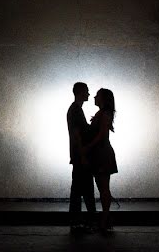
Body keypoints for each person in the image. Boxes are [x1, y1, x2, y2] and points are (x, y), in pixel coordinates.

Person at [82, 88, 118, 233]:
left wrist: (87, 147)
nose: (94, 97)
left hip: (102, 153)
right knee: (103, 187)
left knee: (103, 187)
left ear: (103, 98)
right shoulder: (103, 113)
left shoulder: (104, 113)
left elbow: (102, 135)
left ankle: (104, 220)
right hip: (101, 153)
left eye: (97, 95)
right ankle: (105, 219)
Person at [66, 82, 97, 233]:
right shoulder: (76, 110)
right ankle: (85, 220)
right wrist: (83, 155)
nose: (89, 94)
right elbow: (78, 135)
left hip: (78, 155)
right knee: (84, 189)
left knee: (79, 189)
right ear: (80, 92)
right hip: (81, 156)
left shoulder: (74, 110)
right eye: (87, 91)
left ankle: (77, 220)